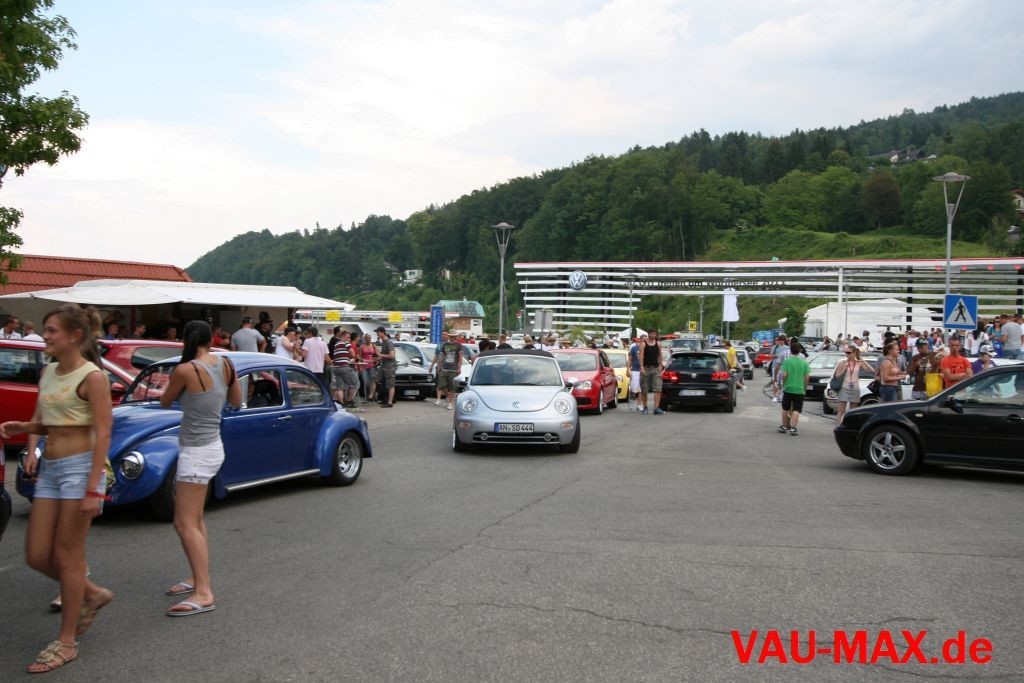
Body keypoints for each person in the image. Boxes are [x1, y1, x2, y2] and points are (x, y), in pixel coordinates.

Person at [0, 305, 114, 673]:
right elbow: (51, 422)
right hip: (50, 469)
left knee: (67, 557)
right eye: (45, 330)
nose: (45, 336)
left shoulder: (93, 377)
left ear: (75, 336)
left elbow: (103, 433)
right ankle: (92, 593)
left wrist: (94, 489)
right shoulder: (48, 371)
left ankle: (66, 642)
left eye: (52, 331)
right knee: (36, 555)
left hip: (80, 470)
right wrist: (25, 429)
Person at [158, 321, 240, 617]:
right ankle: (197, 577)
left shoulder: (184, 370)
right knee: (195, 519)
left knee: (184, 523)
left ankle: (204, 591)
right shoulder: (226, 364)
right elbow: (237, 401)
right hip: (213, 446)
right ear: (210, 339)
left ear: (186, 339)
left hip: (195, 451)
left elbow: (165, 402)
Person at [832, 346, 875, 424]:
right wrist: (844, 369)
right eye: (845, 352)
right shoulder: (843, 362)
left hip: (855, 388)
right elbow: (837, 376)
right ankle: (838, 426)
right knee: (841, 410)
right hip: (844, 387)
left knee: (853, 411)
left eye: (849, 353)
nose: (847, 354)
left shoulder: (858, 363)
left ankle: (850, 426)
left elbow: (872, 370)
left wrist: (862, 359)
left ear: (854, 353)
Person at [778, 341, 810, 435]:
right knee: (796, 409)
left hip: (788, 388)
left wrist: (784, 384)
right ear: (800, 351)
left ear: (791, 351)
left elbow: (784, 375)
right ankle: (793, 428)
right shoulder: (804, 363)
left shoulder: (787, 362)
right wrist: (804, 387)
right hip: (799, 389)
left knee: (785, 408)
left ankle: (784, 426)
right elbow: (807, 377)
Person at [435, 332, 464, 410]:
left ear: (456, 337)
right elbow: (441, 356)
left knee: (451, 387)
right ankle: (448, 396)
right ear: (449, 336)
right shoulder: (445, 344)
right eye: (451, 336)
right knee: (441, 385)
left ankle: (450, 403)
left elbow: (460, 357)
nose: (452, 337)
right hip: (444, 368)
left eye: (453, 336)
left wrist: (459, 367)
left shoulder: (458, 345)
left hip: (453, 369)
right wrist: (439, 366)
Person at [638, 329, 664, 415]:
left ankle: (656, 408)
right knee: (644, 389)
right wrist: (641, 367)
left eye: (654, 334)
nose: (653, 336)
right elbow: (641, 356)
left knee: (658, 388)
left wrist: (661, 365)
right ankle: (645, 407)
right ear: (648, 334)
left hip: (656, 368)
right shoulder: (643, 344)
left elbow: (660, 355)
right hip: (646, 368)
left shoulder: (658, 343)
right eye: (652, 334)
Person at [331, 330, 359, 406]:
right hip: (344, 367)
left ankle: (341, 403)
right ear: (343, 336)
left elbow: (339, 355)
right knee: (355, 383)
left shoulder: (336, 344)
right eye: (348, 337)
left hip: (336, 368)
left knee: (339, 387)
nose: (349, 339)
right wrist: (351, 357)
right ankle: (349, 400)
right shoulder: (345, 342)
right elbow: (353, 353)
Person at [374, 327, 397, 407]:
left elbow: (392, 355)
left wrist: (380, 354)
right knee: (377, 379)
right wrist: (378, 359)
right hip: (384, 364)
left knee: (390, 384)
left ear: (383, 333)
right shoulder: (383, 342)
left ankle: (390, 402)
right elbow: (384, 355)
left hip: (390, 366)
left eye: (378, 332)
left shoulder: (389, 342)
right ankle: (383, 399)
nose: (377, 334)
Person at [428, 332, 450, 406]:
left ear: (448, 336)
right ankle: (438, 399)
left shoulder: (450, 345)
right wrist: (431, 365)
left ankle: (447, 396)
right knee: (438, 383)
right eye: (442, 334)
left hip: (447, 367)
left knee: (444, 384)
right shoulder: (439, 344)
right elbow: (436, 356)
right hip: (439, 366)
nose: (443, 336)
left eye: (445, 334)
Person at [357, 333, 379, 401]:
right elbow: (359, 357)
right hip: (364, 366)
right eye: (367, 338)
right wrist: (360, 366)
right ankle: (368, 396)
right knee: (366, 382)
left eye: (369, 338)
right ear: (364, 339)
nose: (368, 339)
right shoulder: (362, 346)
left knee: (372, 380)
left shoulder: (374, 346)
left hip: (372, 366)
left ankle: (371, 395)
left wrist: (377, 360)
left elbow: (378, 355)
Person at [627, 335, 643, 408]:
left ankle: (639, 405)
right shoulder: (634, 348)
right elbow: (630, 359)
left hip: (642, 370)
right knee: (634, 388)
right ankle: (631, 400)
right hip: (635, 370)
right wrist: (628, 369)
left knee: (641, 389)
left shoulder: (645, 348)